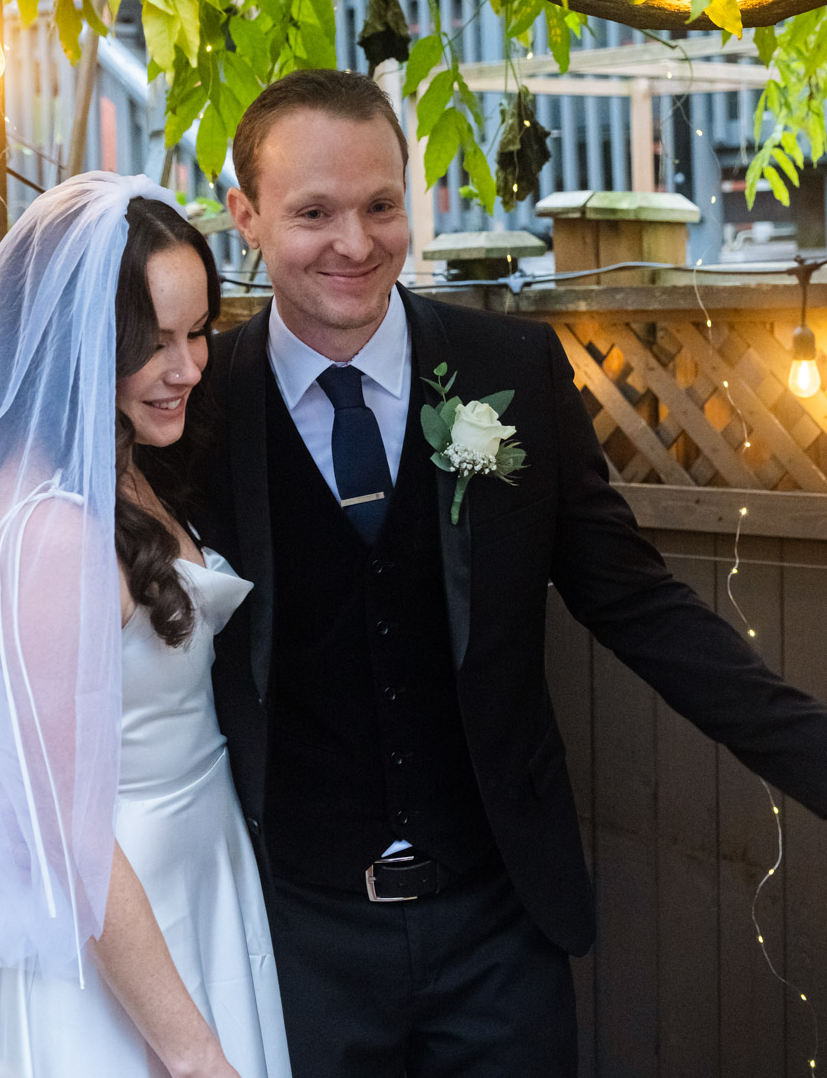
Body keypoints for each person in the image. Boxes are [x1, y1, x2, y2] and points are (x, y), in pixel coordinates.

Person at [190, 69, 827, 1078]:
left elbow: (635, 601)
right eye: (313, 213)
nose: (355, 243)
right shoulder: (193, 410)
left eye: (380, 205)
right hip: (289, 931)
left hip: (497, 925)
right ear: (246, 217)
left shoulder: (511, 371)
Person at [0, 173, 292, 1078]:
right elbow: (63, 833)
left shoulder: (123, 471)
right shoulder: (47, 531)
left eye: (197, 331)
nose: (188, 368)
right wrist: (192, 1052)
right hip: (124, 933)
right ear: (82, 342)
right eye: (151, 344)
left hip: (199, 876)